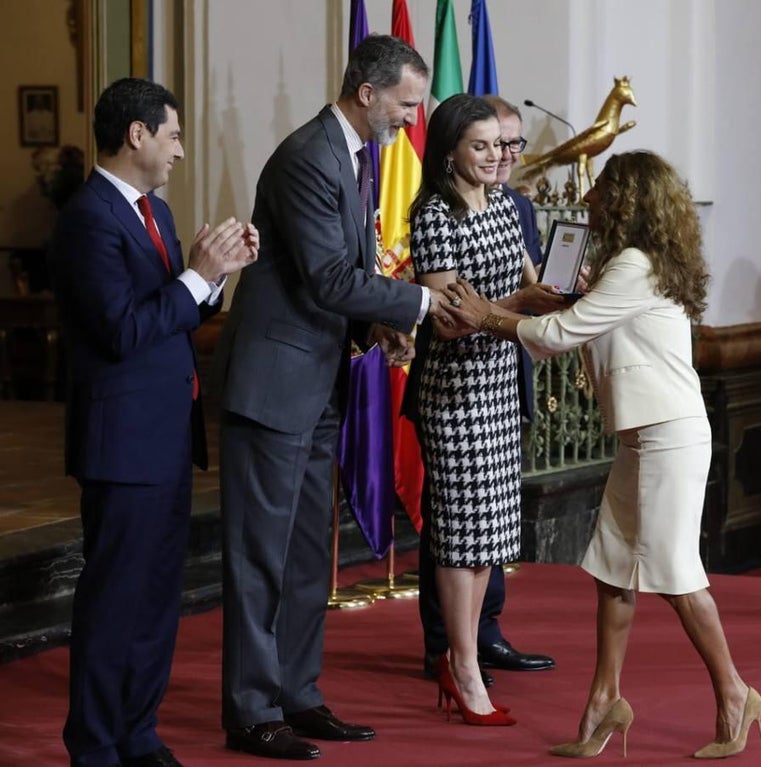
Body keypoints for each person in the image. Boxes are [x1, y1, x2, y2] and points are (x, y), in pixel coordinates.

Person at [443, 150, 761, 759]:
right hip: (645, 435)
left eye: (601, 190)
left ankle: (735, 692)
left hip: (668, 435)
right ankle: (603, 701)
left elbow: (559, 337)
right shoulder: (632, 265)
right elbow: (582, 330)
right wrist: (566, 305)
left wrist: (486, 315)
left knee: (675, 574)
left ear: (625, 200)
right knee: (613, 569)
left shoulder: (635, 266)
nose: (588, 198)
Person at [214, 34, 451, 760]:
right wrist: (422, 302)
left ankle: (297, 693)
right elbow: (327, 278)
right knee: (261, 556)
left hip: (318, 384)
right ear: (366, 91)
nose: (412, 120)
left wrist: (377, 326)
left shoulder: (354, 153)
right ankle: (251, 711)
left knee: (309, 555)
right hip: (273, 388)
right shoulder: (308, 156)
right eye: (406, 104)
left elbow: (334, 278)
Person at [52, 77, 257, 767]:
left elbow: (177, 315)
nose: (179, 150)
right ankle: (95, 746)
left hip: (168, 436)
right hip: (121, 443)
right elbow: (120, 331)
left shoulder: (156, 213)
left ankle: (138, 733)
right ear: (136, 134)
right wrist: (196, 277)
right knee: (115, 602)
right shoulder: (87, 218)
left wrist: (218, 274)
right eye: (173, 135)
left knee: (157, 600)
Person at [407, 93, 565, 725]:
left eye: (500, 145)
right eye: (481, 146)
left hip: (500, 382)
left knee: (486, 539)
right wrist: (521, 303)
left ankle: (463, 656)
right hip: (453, 391)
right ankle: (462, 664)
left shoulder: (503, 204)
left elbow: (530, 284)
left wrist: (559, 293)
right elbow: (446, 322)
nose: (497, 155)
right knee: (457, 535)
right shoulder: (433, 215)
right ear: (449, 152)